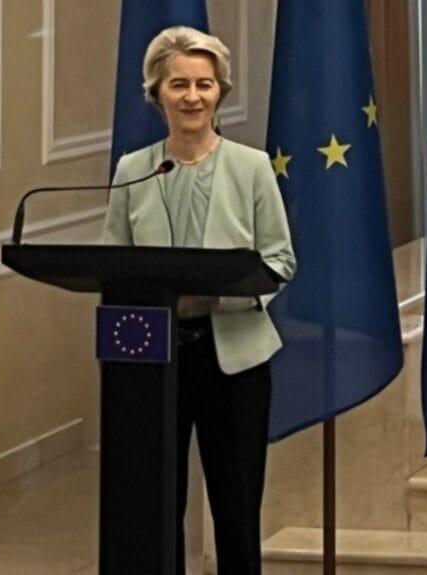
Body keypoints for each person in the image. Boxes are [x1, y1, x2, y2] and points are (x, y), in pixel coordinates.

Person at [102, 26, 295, 574]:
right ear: (156, 93)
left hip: (234, 360)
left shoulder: (251, 167)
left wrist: (216, 295)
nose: (192, 96)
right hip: (152, 363)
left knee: (235, 507)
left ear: (220, 93)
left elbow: (280, 261)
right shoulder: (133, 170)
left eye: (205, 84)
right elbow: (111, 263)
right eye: (179, 84)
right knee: (155, 503)